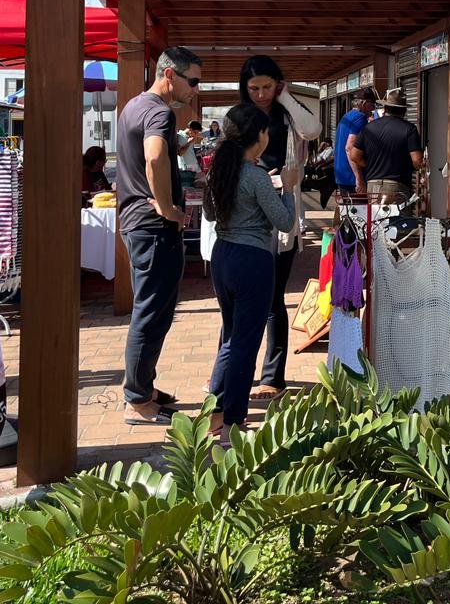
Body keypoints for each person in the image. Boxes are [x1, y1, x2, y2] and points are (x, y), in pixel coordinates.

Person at [116, 46, 202, 425]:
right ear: (169, 75)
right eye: (192, 81)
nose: (195, 90)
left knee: (151, 309)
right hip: (153, 227)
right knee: (151, 312)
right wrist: (167, 208)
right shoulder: (159, 112)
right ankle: (137, 400)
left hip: (139, 224)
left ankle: (142, 387)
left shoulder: (134, 106)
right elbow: (154, 156)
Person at [202, 103, 296, 436]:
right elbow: (284, 221)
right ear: (258, 135)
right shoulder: (256, 176)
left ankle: (215, 412)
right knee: (245, 342)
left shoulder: (219, 170)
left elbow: (210, 214)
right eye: (266, 131)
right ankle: (232, 420)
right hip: (252, 259)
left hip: (222, 255)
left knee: (231, 338)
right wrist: (287, 188)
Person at [237, 55, 320, 400]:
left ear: (278, 84)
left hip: (281, 214)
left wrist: (286, 96)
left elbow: (312, 130)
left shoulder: (287, 114)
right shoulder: (239, 117)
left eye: (267, 87)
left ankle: (273, 376)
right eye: (253, 88)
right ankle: (231, 374)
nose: (260, 94)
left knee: (273, 298)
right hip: (245, 217)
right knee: (241, 300)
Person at [349, 87, 424, 202]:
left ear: (385, 108)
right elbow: (417, 161)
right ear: (404, 110)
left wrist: (370, 165)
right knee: (397, 214)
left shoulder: (369, 127)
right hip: (398, 187)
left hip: (373, 186)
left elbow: (354, 156)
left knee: (375, 214)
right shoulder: (409, 129)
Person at [333, 87, 377, 196]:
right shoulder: (360, 118)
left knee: (347, 206)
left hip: (341, 176)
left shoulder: (346, 117)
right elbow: (349, 148)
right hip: (352, 177)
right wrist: (359, 178)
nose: (373, 109)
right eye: (372, 105)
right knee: (358, 207)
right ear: (364, 103)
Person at [177, 120, 205, 187]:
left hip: (193, 166)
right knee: (187, 187)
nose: (195, 135)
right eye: (195, 132)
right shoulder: (180, 136)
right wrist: (189, 142)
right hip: (186, 168)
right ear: (190, 129)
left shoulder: (190, 136)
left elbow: (189, 151)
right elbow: (180, 153)